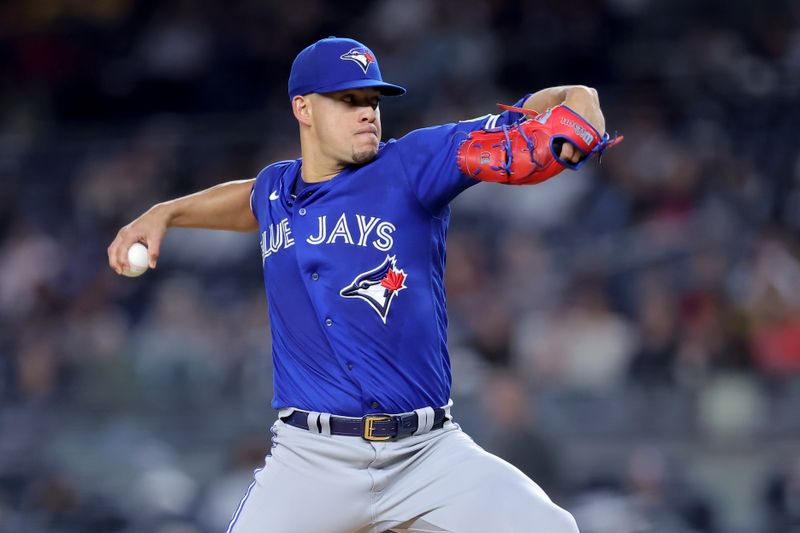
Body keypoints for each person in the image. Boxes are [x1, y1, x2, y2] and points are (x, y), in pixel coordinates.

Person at [108, 36, 608, 533]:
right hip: (311, 460)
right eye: (348, 100)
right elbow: (247, 201)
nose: (367, 112)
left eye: (372, 100)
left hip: (426, 454)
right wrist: (165, 213)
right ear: (302, 108)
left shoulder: (412, 165)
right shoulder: (276, 191)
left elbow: (537, 118)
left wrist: (583, 100)